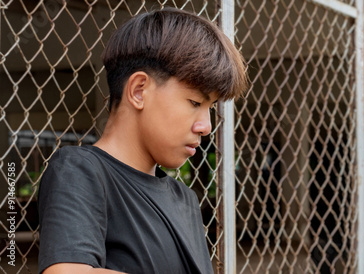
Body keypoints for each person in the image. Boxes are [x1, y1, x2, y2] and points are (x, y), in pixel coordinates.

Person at [38, 7, 247, 274]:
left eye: (210, 107)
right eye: (195, 102)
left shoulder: (184, 199)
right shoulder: (81, 170)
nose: (206, 126)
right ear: (139, 91)